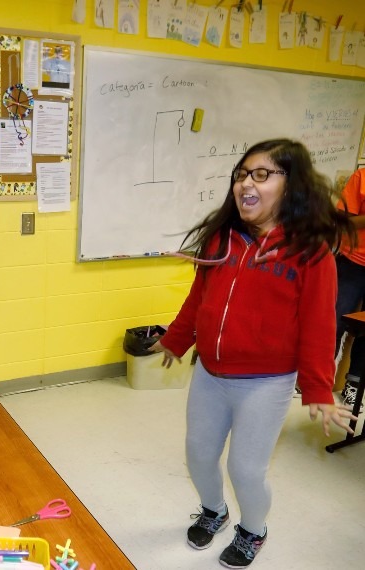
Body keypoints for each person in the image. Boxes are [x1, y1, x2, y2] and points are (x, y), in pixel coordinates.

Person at [148, 139, 357, 568]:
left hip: (266, 382)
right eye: (242, 174)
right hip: (210, 374)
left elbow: (320, 326)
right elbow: (199, 296)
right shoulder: (223, 239)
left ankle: (253, 530)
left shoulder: (311, 252)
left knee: (246, 470)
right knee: (199, 454)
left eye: (261, 174)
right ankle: (214, 511)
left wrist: (318, 388)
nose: (246, 182)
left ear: (291, 184)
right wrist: (177, 338)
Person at [335, 167, 365, 412]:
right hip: (353, 261)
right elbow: (343, 222)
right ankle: (317, 380)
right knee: (334, 322)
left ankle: (354, 385)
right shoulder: (362, 177)